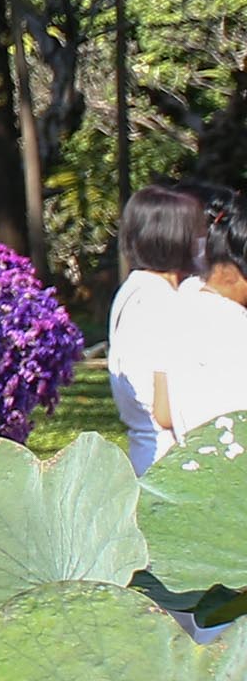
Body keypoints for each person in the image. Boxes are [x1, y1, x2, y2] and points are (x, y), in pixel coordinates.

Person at [113, 181, 205, 467]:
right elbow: (166, 410)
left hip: (146, 453)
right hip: (171, 458)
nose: (205, 241)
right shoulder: (163, 302)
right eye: (199, 232)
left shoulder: (136, 289)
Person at [158, 191, 247, 442]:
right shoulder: (236, 327)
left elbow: (164, 413)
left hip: (193, 466)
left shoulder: (178, 302)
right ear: (236, 271)